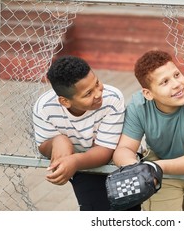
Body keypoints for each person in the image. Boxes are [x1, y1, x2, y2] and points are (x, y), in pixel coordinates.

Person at [112, 50, 184, 211]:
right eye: (165, 82)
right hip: (161, 158)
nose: (177, 84)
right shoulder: (138, 106)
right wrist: (137, 168)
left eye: (177, 75)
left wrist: (155, 167)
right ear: (148, 93)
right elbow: (124, 149)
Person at [32, 55, 140, 211]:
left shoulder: (112, 99)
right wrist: (58, 141)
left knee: (127, 209)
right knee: (94, 208)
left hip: (115, 164)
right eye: (88, 94)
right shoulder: (44, 108)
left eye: (97, 83)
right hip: (83, 167)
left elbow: (105, 151)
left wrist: (74, 161)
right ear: (65, 101)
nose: (98, 94)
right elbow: (42, 146)